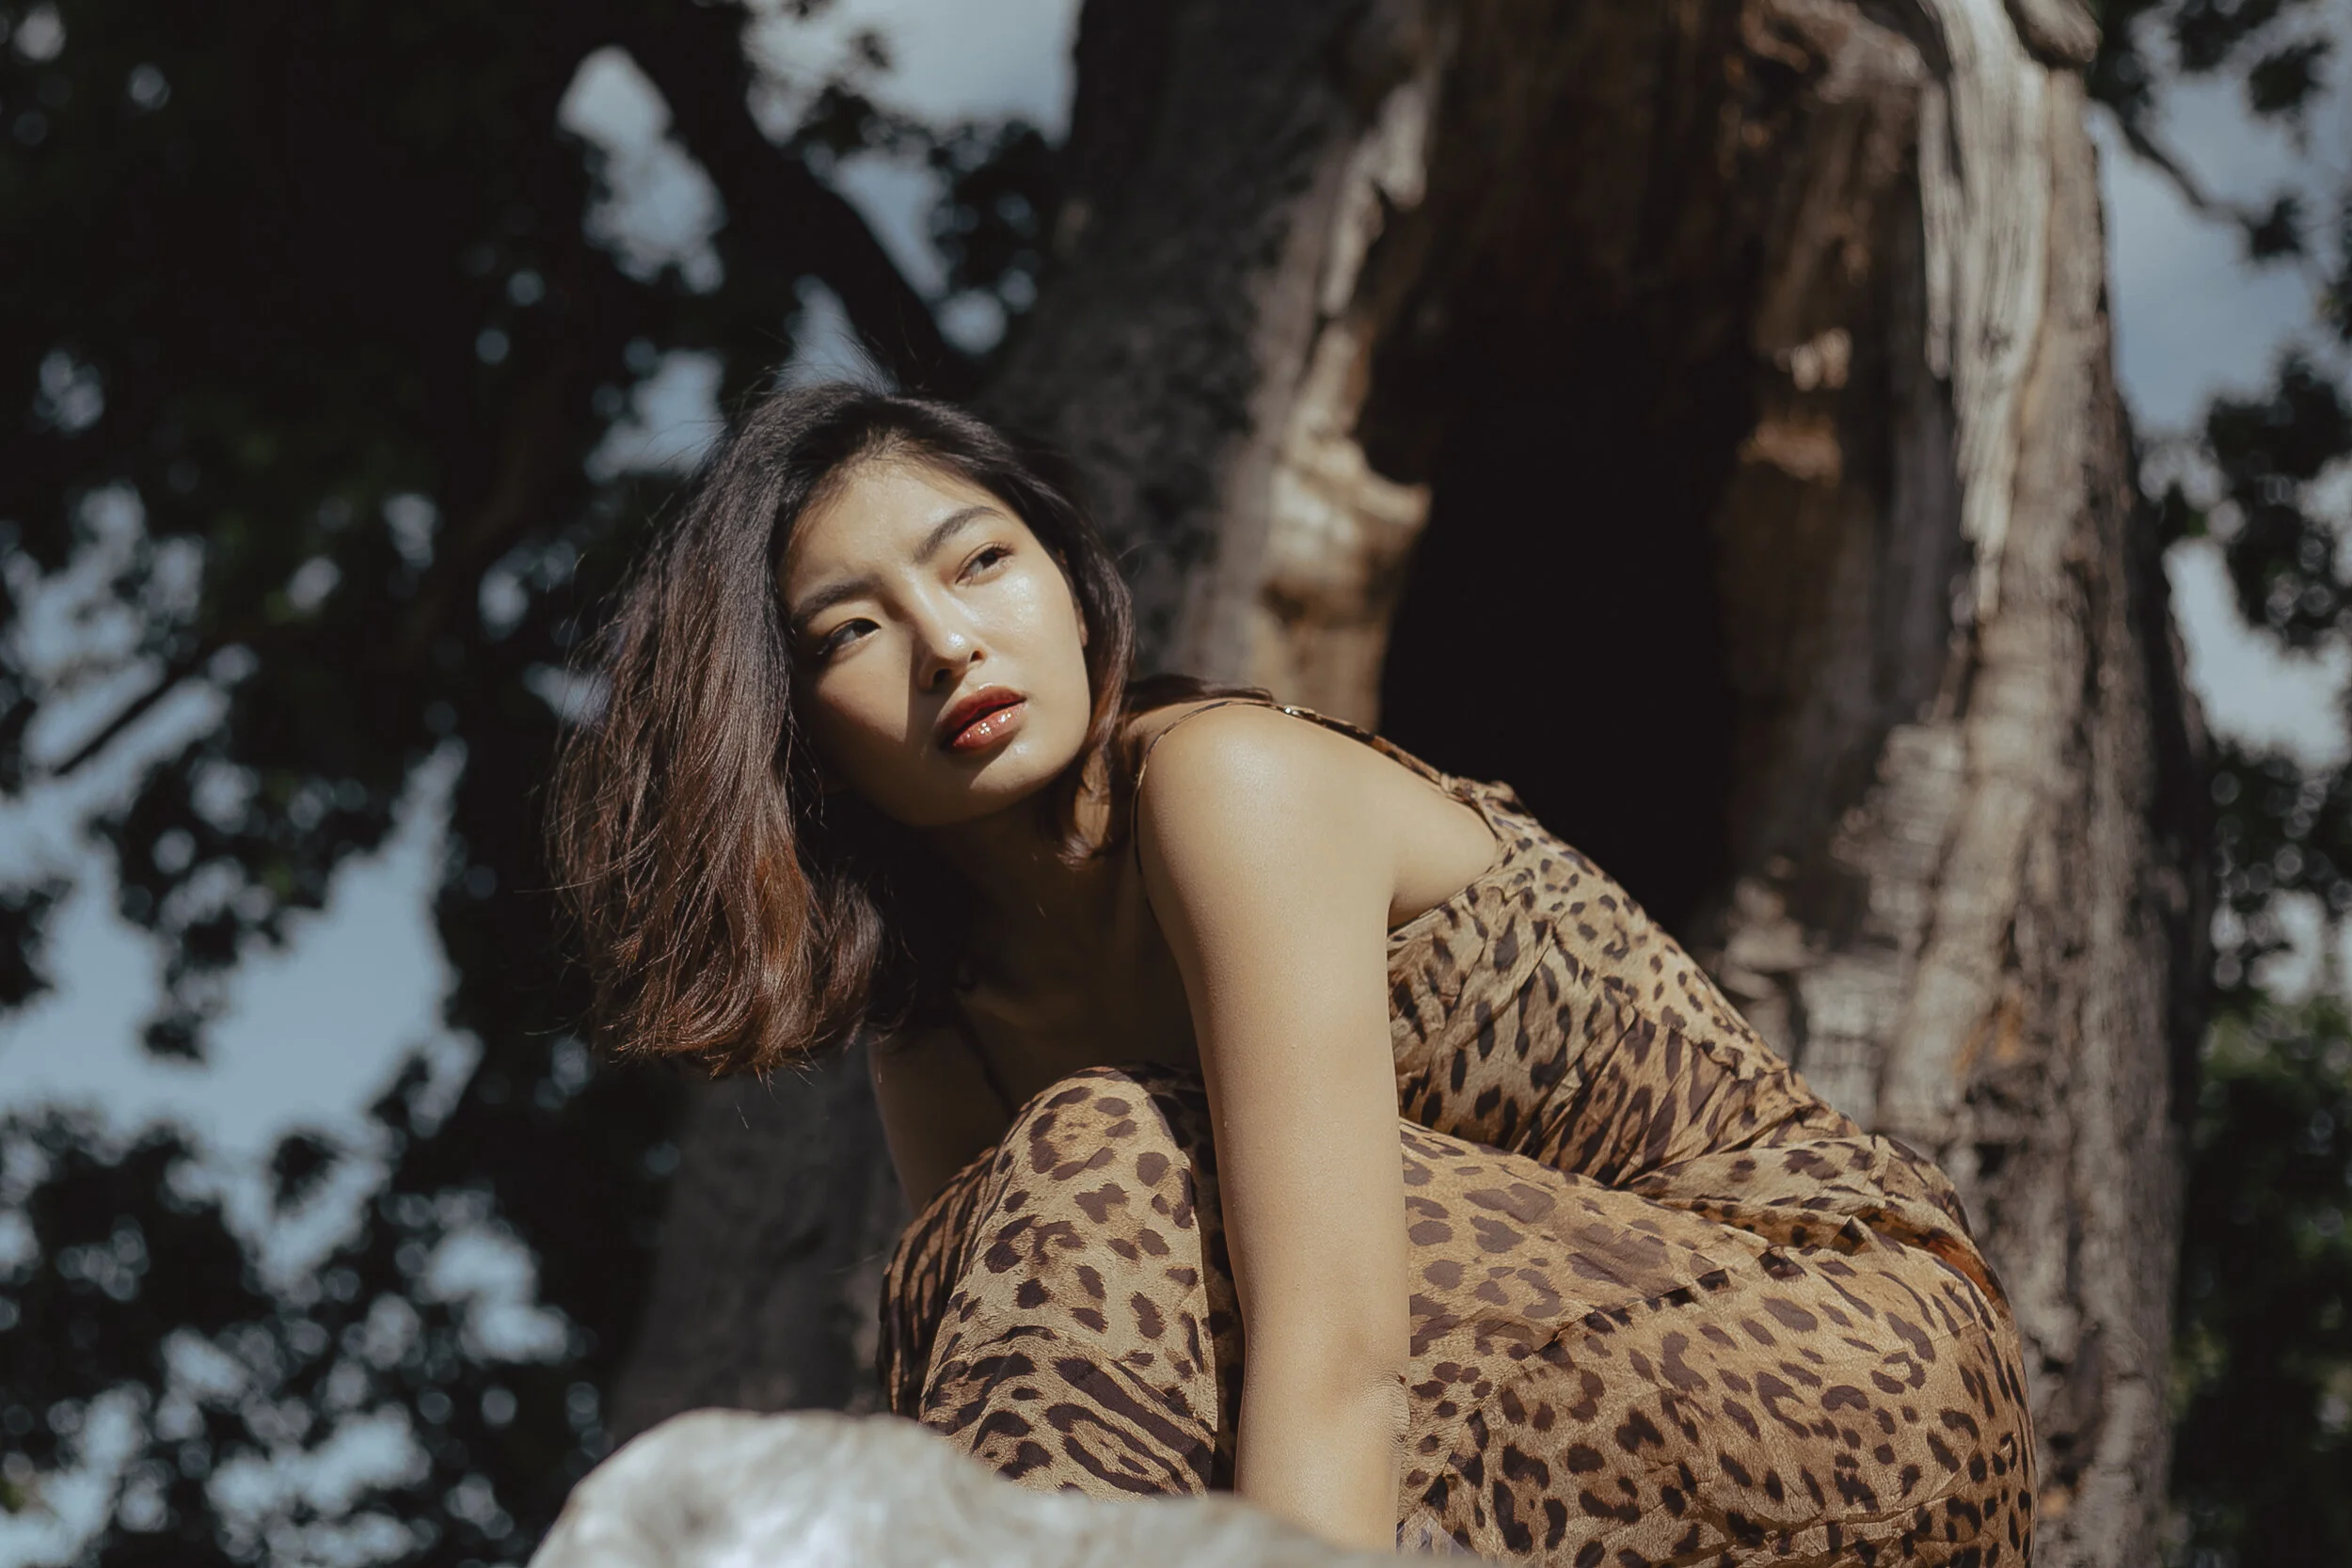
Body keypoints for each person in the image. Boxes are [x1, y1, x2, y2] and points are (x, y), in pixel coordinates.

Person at [549, 381, 2036, 1564]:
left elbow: (1338, 1354)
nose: (947, 643)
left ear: (1071, 584)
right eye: (852, 632)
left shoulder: (1229, 785)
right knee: (981, 1269)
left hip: (1841, 1363)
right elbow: (1023, 1429)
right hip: (1499, 1417)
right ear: (796, 736)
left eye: (981, 561)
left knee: (1097, 1152)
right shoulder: (936, 1039)